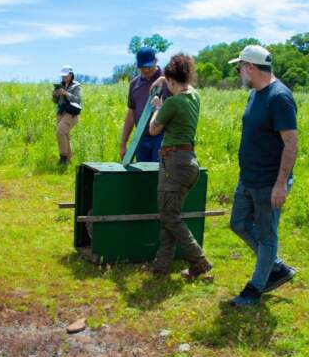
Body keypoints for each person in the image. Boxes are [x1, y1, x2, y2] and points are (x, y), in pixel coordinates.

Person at [227, 45, 298, 306]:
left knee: (268, 235)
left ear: (250, 68)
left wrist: (281, 184)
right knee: (239, 223)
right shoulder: (255, 94)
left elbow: (291, 143)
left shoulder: (279, 97)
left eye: (239, 68)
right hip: (248, 177)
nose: (239, 73)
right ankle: (276, 266)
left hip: (269, 182)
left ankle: (254, 289)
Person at [147, 53, 213, 278]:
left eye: (169, 82)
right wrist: (162, 79)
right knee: (170, 214)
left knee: (169, 217)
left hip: (173, 164)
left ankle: (199, 260)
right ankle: (161, 266)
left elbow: (153, 129)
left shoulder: (172, 103)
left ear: (173, 81)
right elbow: (178, 83)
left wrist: (157, 106)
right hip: (189, 162)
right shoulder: (195, 96)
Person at [119, 47, 168, 162]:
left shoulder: (168, 80)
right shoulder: (134, 84)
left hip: (163, 137)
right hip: (141, 137)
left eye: (148, 66)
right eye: (142, 67)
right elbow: (131, 114)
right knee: (142, 176)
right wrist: (123, 143)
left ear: (156, 61)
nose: (145, 70)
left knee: (159, 173)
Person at [52, 66, 82, 166]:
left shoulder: (77, 85)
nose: (64, 77)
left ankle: (63, 158)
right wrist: (55, 95)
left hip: (71, 113)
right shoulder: (61, 85)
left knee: (60, 132)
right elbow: (55, 102)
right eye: (63, 76)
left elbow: (77, 100)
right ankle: (68, 160)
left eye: (66, 75)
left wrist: (66, 93)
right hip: (61, 113)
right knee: (65, 135)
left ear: (71, 74)